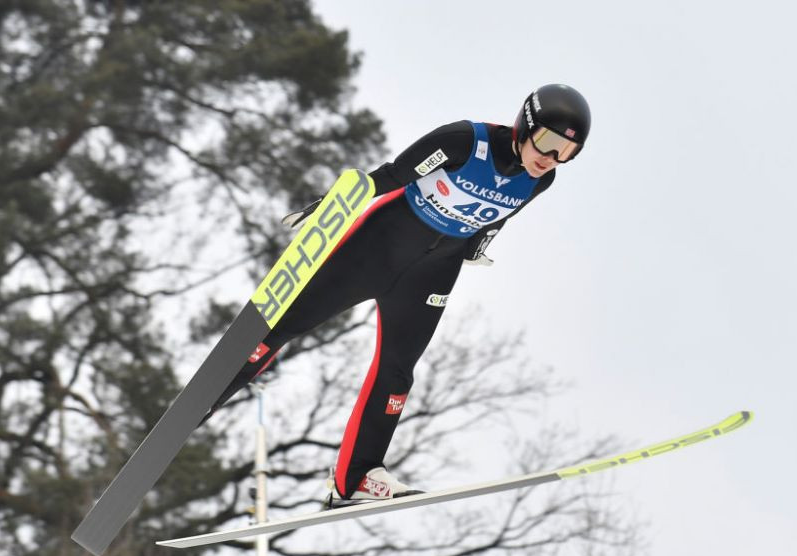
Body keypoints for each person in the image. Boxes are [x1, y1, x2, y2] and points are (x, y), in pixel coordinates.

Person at [206, 84, 591, 507]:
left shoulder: (541, 181)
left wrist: (479, 244)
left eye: (566, 153)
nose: (551, 158)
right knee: (284, 325)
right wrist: (334, 205)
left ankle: (357, 476)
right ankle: (208, 395)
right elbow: (390, 175)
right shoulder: (465, 141)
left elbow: (498, 215)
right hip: (377, 248)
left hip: (431, 274)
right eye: (548, 142)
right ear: (525, 125)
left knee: (398, 372)